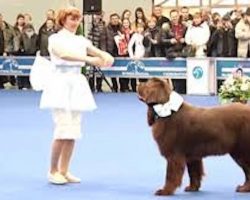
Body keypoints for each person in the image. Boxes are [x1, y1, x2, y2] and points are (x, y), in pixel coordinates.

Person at [39, 7, 114, 185]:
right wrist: (88, 60)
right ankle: (52, 170)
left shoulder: (81, 40)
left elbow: (95, 51)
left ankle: (64, 171)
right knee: (62, 129)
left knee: (73, 130)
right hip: (60, 83)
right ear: (63, 20)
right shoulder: (54, 38)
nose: (75, 22)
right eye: (72, 19)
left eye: (77, 19)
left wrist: (106, 56)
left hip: (76, 84)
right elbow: (64, 54)